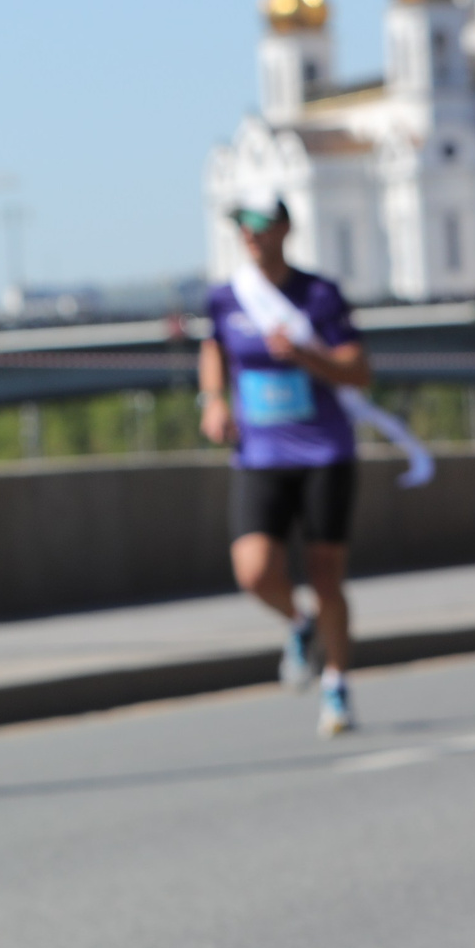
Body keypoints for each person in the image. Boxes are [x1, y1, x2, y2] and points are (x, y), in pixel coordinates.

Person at [201, 199, 372, 737]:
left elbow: (358, 371)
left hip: (324, 454)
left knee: (326, 577)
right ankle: (300, 628)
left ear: (284, 228)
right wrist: (212, 399)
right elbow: (214, 348)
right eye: (240, 228)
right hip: (261, 457)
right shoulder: (227, 297)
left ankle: (336, 687)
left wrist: (305, 356)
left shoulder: (319, 295)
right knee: (253, 571)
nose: (249, 237)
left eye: (258, 226)